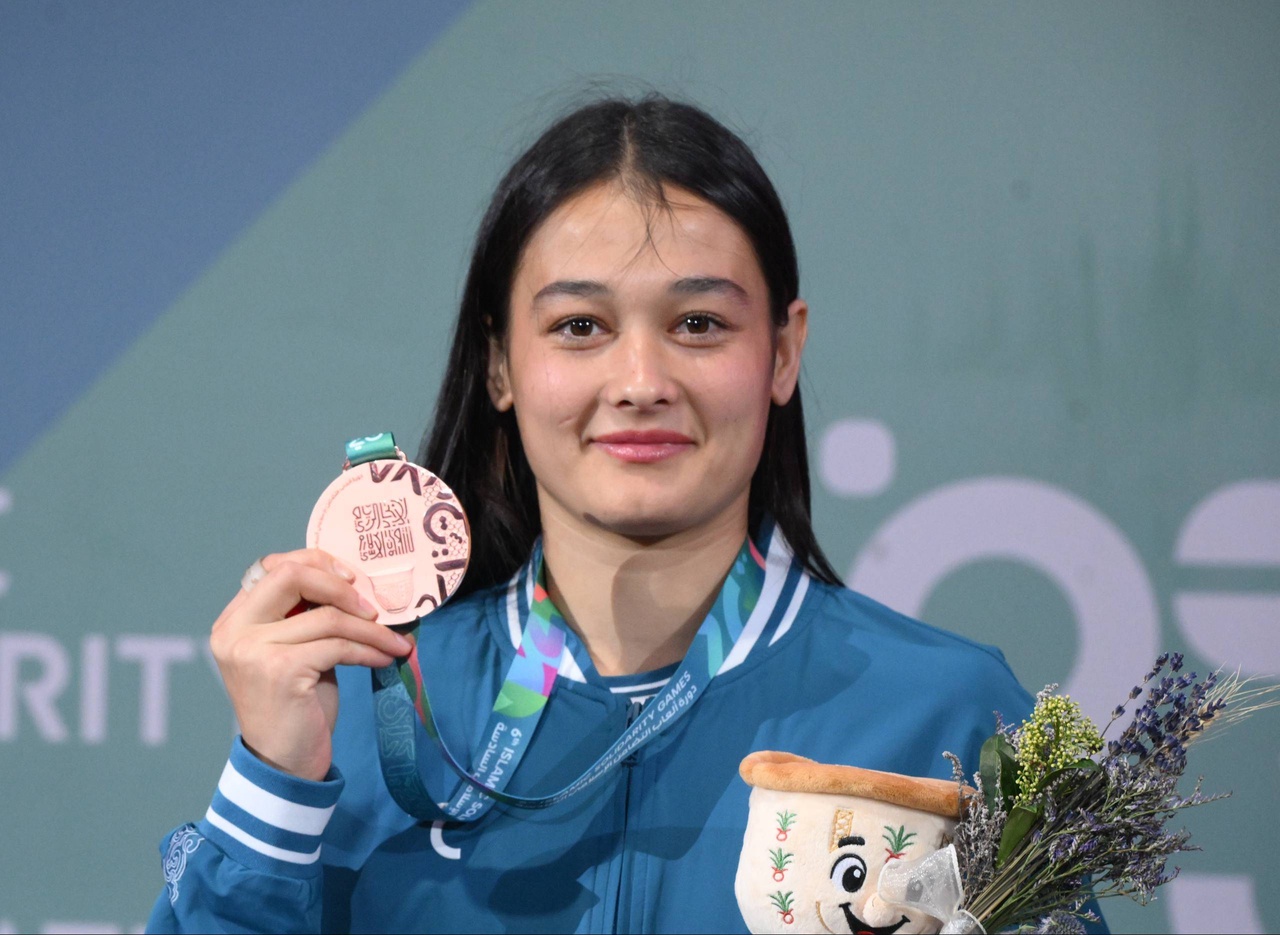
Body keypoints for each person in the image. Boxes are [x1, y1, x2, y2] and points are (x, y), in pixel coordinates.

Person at [147, 95, 1035, 934]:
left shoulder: (947, 716)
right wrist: (272, 785)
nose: (641, 382)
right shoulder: (365, 713)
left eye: (698, 323)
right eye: (580, 326)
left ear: (782, 351)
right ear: (499, 363)